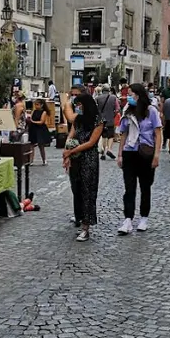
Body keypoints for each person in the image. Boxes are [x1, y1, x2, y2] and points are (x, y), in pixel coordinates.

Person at [116, 83, 162, 234]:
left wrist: (156, 155)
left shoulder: (151, 111)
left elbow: (158, 134)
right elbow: (123, 133)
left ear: (139, 95)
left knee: (145, 187)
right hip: (130, 151)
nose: (128, 96)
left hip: (146, 153)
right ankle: (128, 219)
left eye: (131, 94)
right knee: (129, 187)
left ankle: (143, 217)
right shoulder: (127, 111)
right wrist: (120, 154)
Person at [62, 89, 103, 242]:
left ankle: (86, 227)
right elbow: (71, 134)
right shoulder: (78, 118)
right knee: (76, 189)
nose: (77, 107)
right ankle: (79, 217)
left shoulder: (98, 120)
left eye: (79, 105)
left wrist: (71, 151)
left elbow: (91, 142)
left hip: (89, 159)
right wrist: (67, 152)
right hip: (76, 158)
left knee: (88, 192)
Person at [94, 85, 119, 160]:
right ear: (109, 90)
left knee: (104, 136)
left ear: (102, 90)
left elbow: (95, 109)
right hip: (110, 119)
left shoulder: (97, 98)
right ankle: (109, 149)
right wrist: (113, 115)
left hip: (101, 120)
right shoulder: (114, 98)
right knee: (110, 136)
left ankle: (104, 152)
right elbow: (117, 109)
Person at [28, 99, 50, 165]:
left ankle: (44, 160)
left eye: (37, 104)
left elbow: (41, 121)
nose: (36, 106)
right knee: (31, 145)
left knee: (41, 145)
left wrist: (33, 121)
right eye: (35, 104)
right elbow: (31, 118)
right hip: (33, 128)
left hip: (40, 129)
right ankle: (31, 161)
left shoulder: (44, 112)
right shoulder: (34, 111)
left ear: (42, 105)